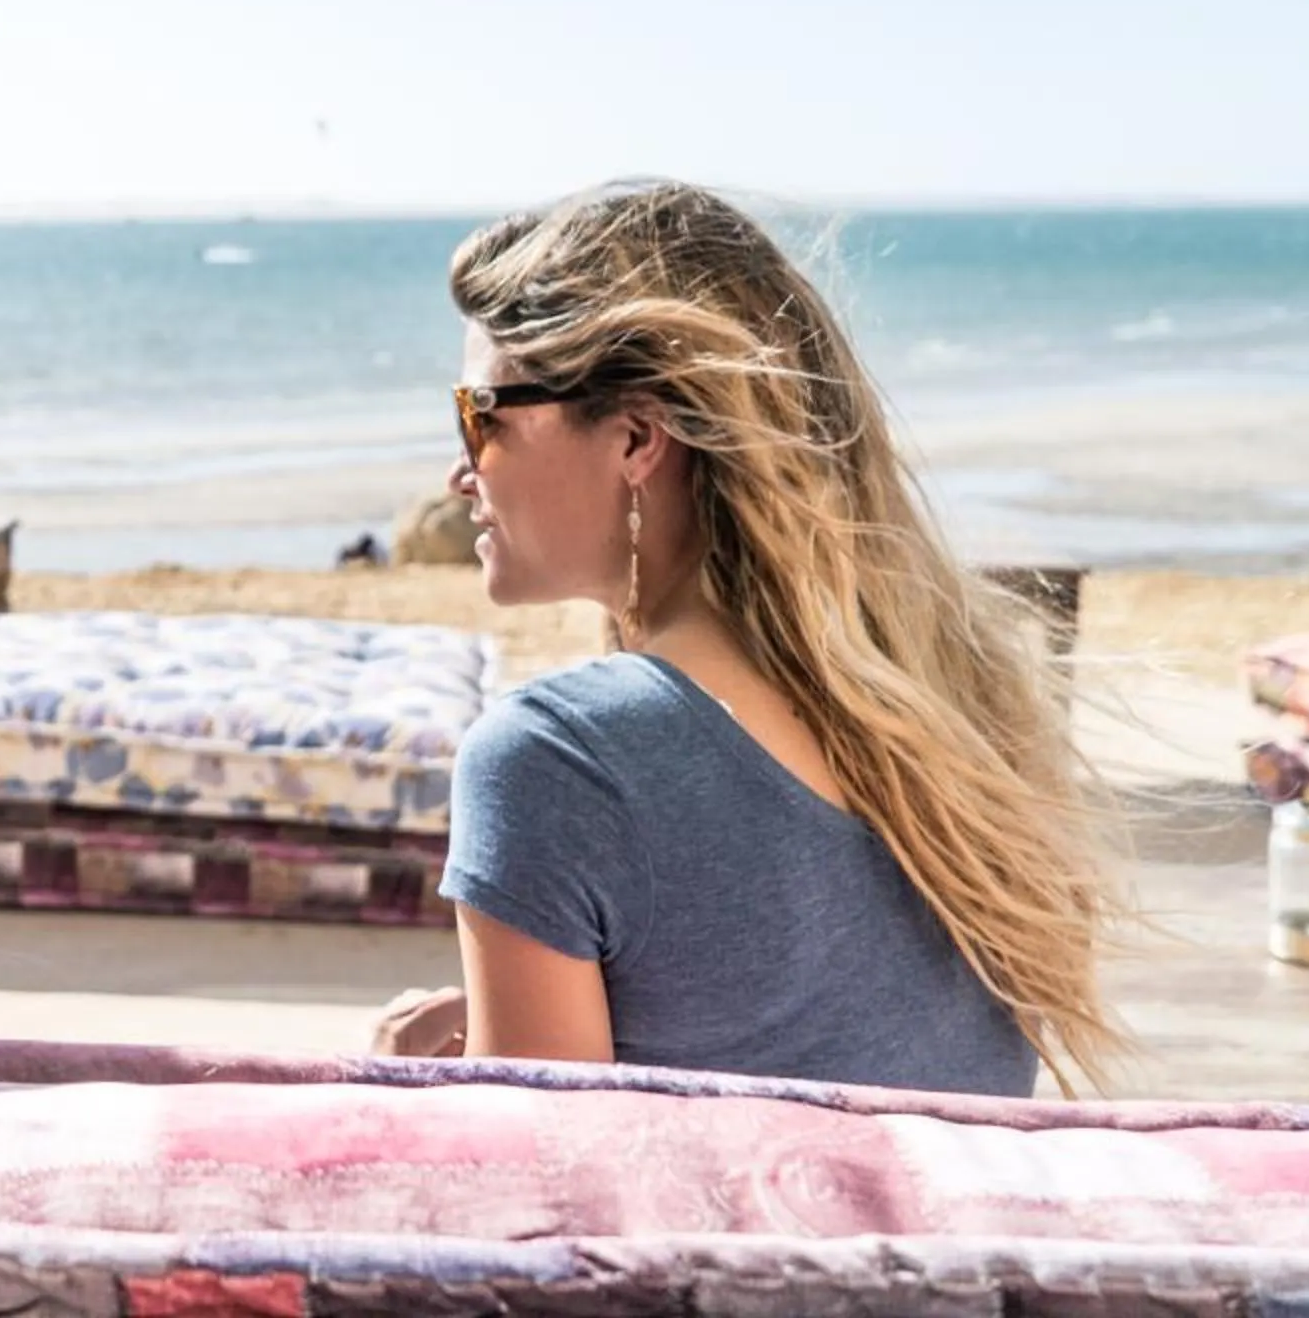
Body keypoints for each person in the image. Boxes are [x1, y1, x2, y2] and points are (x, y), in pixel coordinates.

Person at [374, 182, 1121, 1097]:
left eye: (480, 414)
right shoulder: (955, 706)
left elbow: (542, 1167)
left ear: (636, 438)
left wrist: (413, 1092)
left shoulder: (557, 761)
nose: (460, 473)